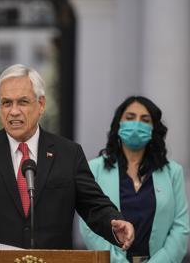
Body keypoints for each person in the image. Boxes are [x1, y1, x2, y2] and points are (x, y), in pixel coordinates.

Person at [0, 64, 134, 250]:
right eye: (6, 103)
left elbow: (94, 205)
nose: (13, 111)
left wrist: (115, 223)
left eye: (22, 102)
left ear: (41, 105)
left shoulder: (68, 153)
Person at [79, 96, 190, 263]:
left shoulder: (172, 172)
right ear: (118, 125)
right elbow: (89, 225)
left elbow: (180, 227)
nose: (137, 124)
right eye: (130, 118)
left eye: (145, 120)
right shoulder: (95, 169)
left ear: (154, 129)